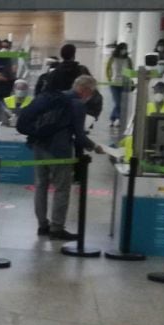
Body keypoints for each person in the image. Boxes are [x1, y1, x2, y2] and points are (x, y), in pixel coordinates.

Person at [27, 75, 106, 240]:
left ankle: (42, 225)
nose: (90, 96)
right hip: (59, 151)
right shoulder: (77, 104)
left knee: (41, 185)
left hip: (39, 145)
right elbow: (79, 136)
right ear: (86, 90)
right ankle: (57, 228)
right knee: (62, 188)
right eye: (91, 92)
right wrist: (95, 147)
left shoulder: (54, 97)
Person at [106, 43, 133, 127]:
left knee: (121, 102)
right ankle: (117, 118)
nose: (124, 50)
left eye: (125, 49)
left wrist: (130, 80)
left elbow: (130, 70)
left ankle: (113, 118)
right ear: (119, 49)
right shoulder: (112, 58)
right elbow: (107, 68)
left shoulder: (128, 59)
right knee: (117, 102)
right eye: (122, 48)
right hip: (114, 83)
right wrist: (109, 79)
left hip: (124, 83)